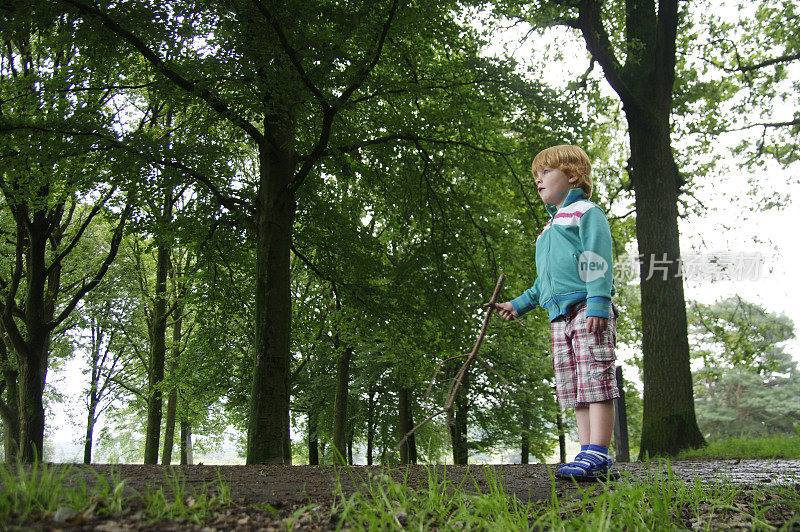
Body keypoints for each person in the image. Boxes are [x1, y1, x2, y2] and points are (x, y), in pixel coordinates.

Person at [491, 144, 620, 481]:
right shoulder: (548, 230)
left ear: (572, 175)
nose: (538, 180)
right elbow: (543, 283)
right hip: (558, 317)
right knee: (576, 387)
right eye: (536, 176)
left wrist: (598, 301)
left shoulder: (585, 212)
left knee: (596, 379)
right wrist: (518, 304)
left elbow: (597, 258)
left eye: (545, 172)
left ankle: (600, 454)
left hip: (586, 309)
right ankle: (585, 451)